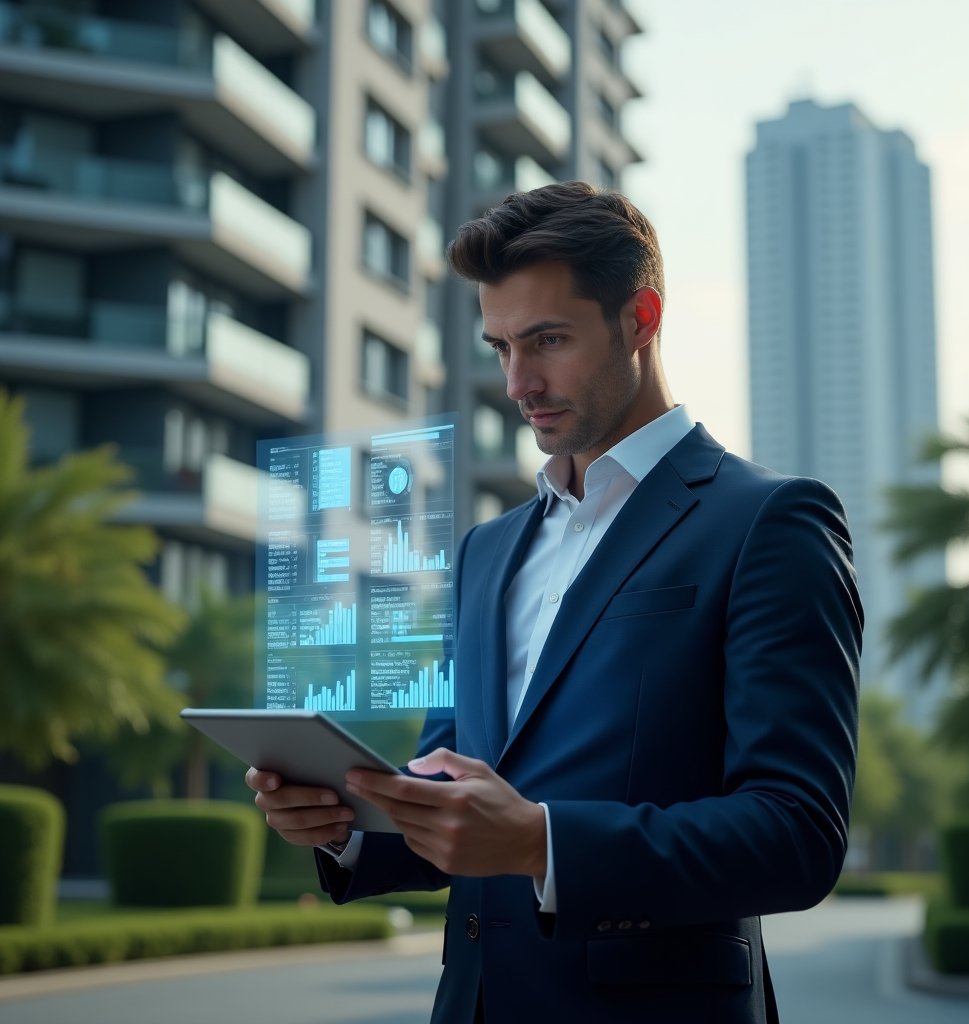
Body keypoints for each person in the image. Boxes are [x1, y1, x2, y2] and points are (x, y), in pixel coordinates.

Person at [247, 181, 863, 1024]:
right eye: (500, 346)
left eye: (547, 340)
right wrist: (345, 822)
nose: (517, 381)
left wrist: (542, 842)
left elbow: (797, 834)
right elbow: (455, 779)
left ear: (640, 318)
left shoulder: (769, 521)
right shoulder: (486, 552)